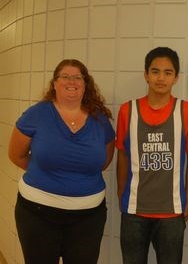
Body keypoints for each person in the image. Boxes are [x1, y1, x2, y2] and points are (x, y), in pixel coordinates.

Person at [8, 59, 115, 264]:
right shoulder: (36, 114)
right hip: (36, 213)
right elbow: (16, 155)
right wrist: (47, 172)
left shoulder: (100, 120)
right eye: (65, 76)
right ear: (55, 83)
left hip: (88, 218)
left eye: (77, 77)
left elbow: (104, 161)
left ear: (86, 84)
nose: (71, 81)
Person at [116, 47, 188, 264]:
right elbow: (122, 156)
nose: (161, 78)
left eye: (167, 72)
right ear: (146, 75)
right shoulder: (127, 110)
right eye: (155, 71)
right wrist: (121, 194)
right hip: (134, 210)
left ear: (176, 78)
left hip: (172, 212)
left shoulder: (187, 111)